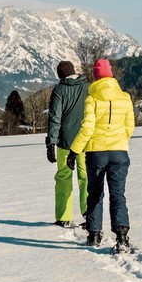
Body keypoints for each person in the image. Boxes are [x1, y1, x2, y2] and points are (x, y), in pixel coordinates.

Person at [67, 59, 136, 251]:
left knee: (95, 193)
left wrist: (74, 151)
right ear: (111, 75)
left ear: (96, 77)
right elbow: (129, 126)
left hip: (96, 153)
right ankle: (122, 236)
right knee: (117, 194)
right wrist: (121, 141)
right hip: (119, 152)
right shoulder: (125, 98)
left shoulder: (92, 98)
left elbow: (87, 128)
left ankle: (94, 234)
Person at [45, 60, 89, 227]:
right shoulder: (87, 87)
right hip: (85, 141)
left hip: (65, 142)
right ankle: (89, 214)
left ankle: (64, 217)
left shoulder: (59, 90)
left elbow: (55, 118)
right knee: (86, 177)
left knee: (64, 177)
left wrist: (51, 143)